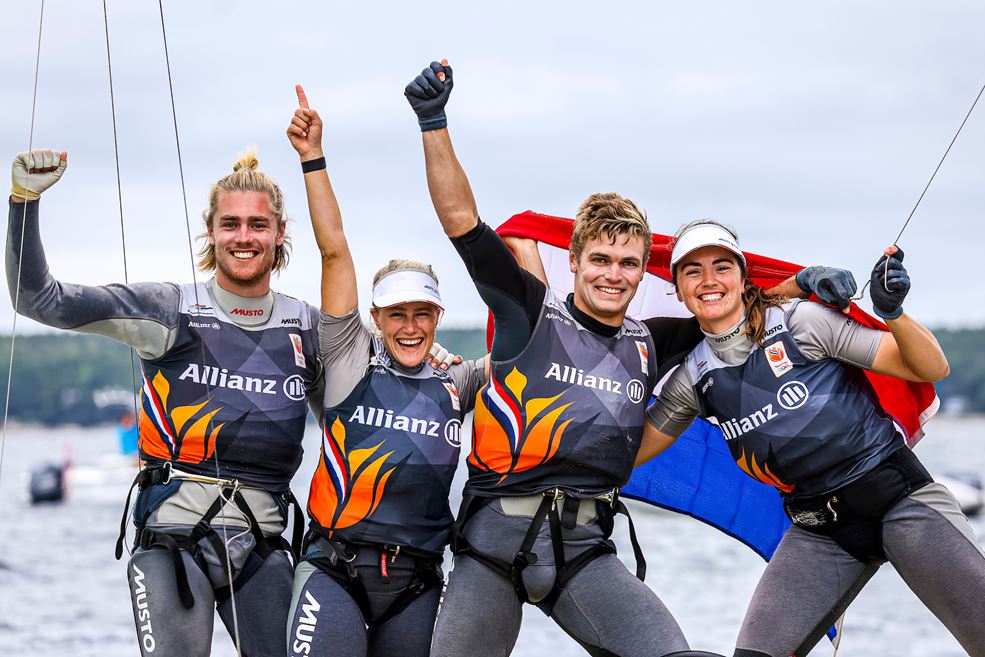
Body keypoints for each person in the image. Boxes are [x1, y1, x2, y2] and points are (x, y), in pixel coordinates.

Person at [404, 60, 855, 657]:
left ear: (644, 270)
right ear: (574, 261)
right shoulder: (529, 313)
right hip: (490, 548)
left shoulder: (650, 341)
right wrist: (433, 120)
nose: (614, 275)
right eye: (601, 260)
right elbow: (463, 223)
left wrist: (802, 284)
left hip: (587, 553)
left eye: (629, 263)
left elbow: (725, 305)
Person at [7, 148, 323, 656]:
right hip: (172, 544)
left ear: (279, 232)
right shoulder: (169, 311)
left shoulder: (308, 328)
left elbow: (381, 378)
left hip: (263, 548)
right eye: (231, 224)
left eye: (257, 225)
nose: (244, 237)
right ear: (211, 232)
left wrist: (437, 355)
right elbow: (39, 299)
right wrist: (24, 202)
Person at [638, 219, 985, 657]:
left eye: (722, 266)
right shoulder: (692, 378)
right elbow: (631, 455)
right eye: (692, 271)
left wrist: (893, 315)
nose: (709, 280)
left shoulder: (801, 322)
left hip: (901, 503)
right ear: (678, 289)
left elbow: (930, 368)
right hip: (821, 535)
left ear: (743, 277)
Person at [283, 87, 486, 657]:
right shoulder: (348, 358)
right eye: (397, 315)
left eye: (423, 314)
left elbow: (536, 354)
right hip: (336, 571)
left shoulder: (459, 381)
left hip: (417, 584)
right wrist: (311, 157)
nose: (411, 327)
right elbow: (334, 253)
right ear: (375, 318)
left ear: (439, 316)